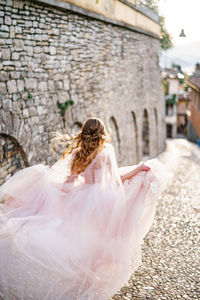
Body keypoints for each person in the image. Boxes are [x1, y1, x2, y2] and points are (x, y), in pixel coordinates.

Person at [0, 118, 161, 300]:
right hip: (103, 198)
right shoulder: (105, 151)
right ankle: (91, 275)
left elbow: (70, 181)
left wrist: (56, 186)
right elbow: (117, 179)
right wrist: (138, 169)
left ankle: (82, 274)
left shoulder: (78, 153)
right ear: (101, 133)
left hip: (81, 197)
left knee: (79, 236)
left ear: (83, 132)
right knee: (99, 236)